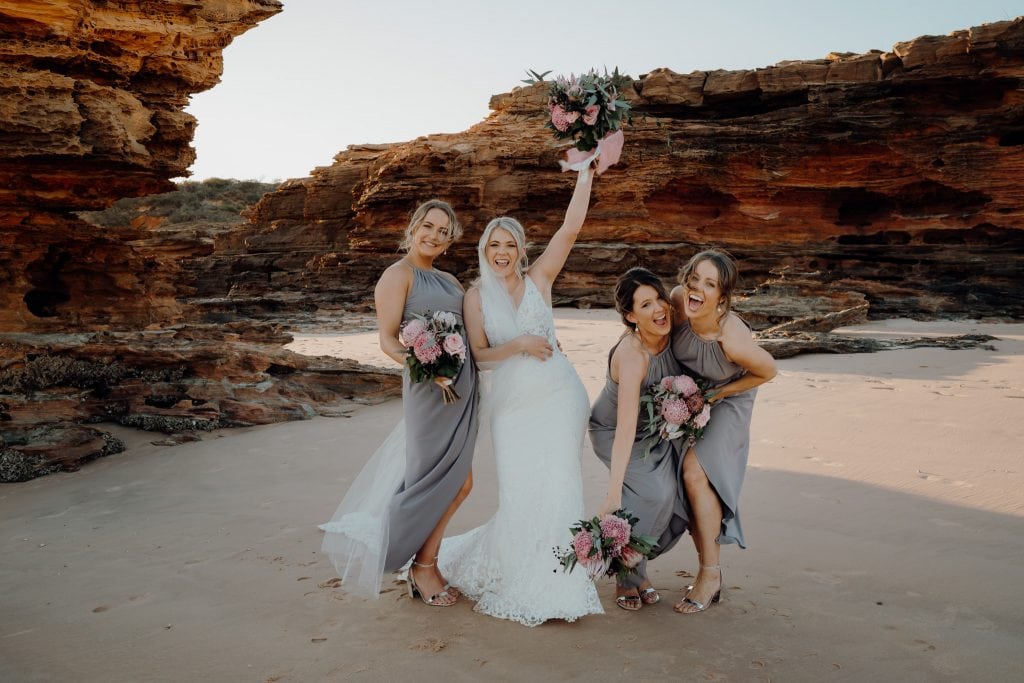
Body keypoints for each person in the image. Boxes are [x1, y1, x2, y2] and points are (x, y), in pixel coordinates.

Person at [436, 168, 604, 626]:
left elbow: (570, 228)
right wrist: (519, 345)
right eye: (494, 245)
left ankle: (561, 575)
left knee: (560, 483)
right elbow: (479, 354)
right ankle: (516, 567)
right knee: (519, 490)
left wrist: (585, 175)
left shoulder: (541, 279)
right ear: (484, 250)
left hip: (558, 396)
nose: (502, 252)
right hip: (511, 407)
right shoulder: (474, 296)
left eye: (510, 244)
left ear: (521, 250)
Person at [320, 199, 478, 607]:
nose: (435, 236)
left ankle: (425, 563)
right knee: (439, 482)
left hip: (461, 392)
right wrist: (424, 363)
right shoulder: (397, 275)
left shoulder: (451, 281)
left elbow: (473, 332)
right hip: (429, 391)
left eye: (444, 232)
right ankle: (420, 566)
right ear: (413, 227)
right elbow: (388, 338)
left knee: (460, 483)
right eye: (429, 226)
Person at [669, 249, 777, 614]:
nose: (697, 288)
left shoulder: (731, 338)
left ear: (723, 297)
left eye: (710, 284)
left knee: (695, 473)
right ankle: (707, 565)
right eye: (694, 278)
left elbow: (767, 372)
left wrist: (718, 394)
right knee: (683, 478)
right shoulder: (678, 301)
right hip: (691, 392)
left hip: (730, 396)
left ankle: (710, 574)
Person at [589, 267, 690, 611]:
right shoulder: (633, 356)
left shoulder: (671, 328)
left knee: (678, 495)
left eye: (659, 299)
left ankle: (636, 568)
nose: (659, 309)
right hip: (615, 431)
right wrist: (613, 491)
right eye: (645, 306)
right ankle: (627, 576)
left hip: (657, 428)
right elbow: (625, 428)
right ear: (631, 317)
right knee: (653, 493)